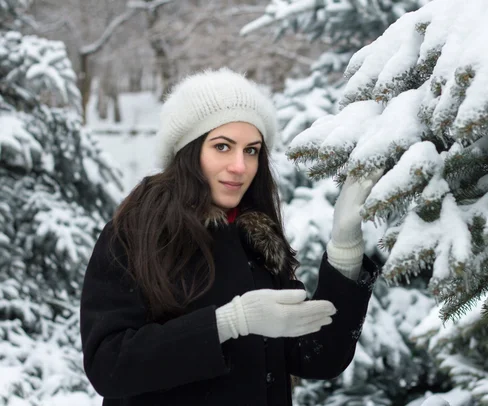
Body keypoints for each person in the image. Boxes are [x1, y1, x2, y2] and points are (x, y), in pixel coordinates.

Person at [79, 67, 382, 406]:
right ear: (188, 152)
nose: (240, 166)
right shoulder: (138, 231)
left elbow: (316, 357)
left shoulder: (256, 237)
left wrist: (345, 245)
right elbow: (108, 365)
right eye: (222, 146)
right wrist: (226, 323)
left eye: (251, 150)